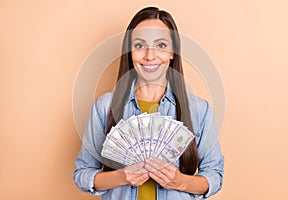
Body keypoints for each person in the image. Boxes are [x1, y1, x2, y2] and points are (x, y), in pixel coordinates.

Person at [73, 6, 224, 200]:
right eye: (139, 45)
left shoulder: (199, 110)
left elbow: (214, 175)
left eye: (161, 45)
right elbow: (82, 174)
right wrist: (121, 177)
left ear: (172, 52)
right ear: (130, 52)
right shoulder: (103, 107)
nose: (149, 56)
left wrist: (179, 181)